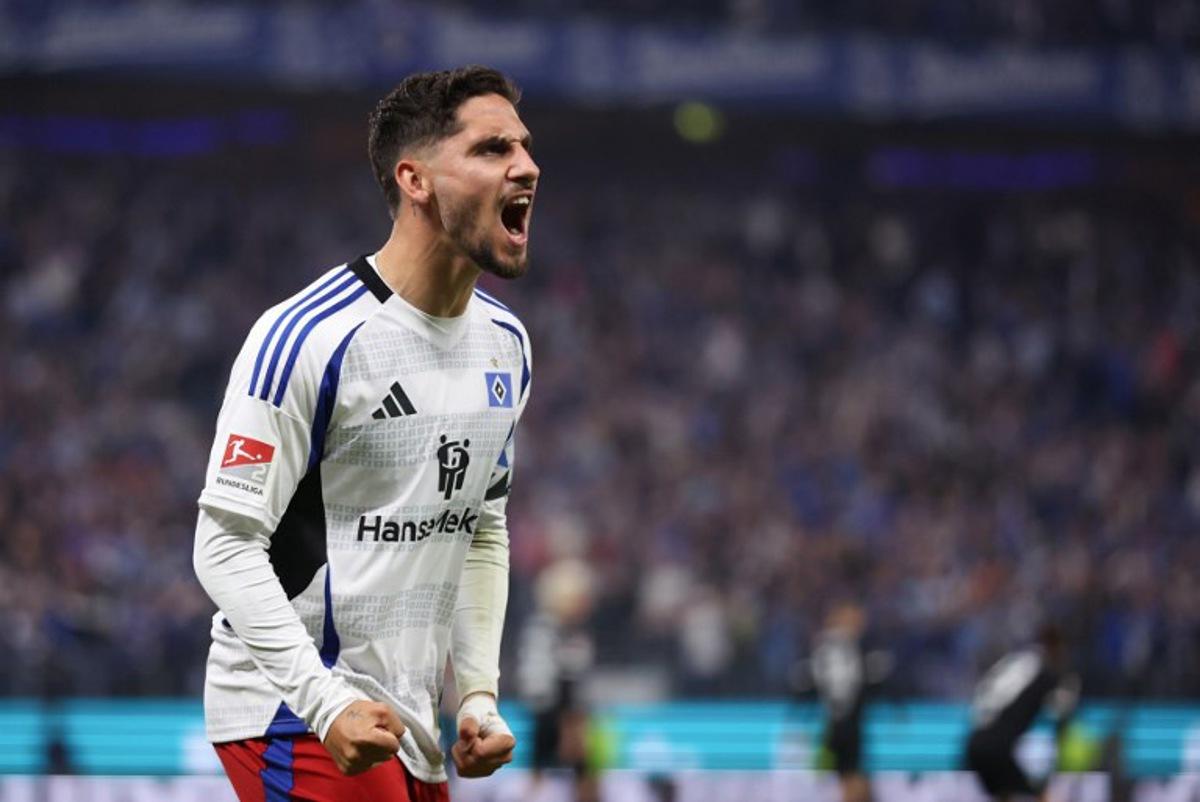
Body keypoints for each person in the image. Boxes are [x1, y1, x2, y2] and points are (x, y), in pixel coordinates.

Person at [192, 65, 539, 801]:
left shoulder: (506, 345)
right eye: (491, 149)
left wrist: (476, 694)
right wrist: (324, 702)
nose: (527, 166)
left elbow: (479, 528)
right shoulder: (308, 338)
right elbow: (222, 542)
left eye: (525, 146)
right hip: (293, 706)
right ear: (415, 180)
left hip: (404, 724)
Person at [964, 625, 1080, 802]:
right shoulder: (1046, 671)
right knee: (1037, 796)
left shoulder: (1015, 660)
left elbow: (983, 695)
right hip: (998, 747)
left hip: (974, 742)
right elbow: (1061, 711)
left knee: (1005, 795)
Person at [800, 602, 891, 802]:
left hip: (834, 723)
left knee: (846, 776)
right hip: (847, 724)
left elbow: (812, 684)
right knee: (851, 776)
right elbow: (854, 685)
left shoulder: (822, 648)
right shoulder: (848, 648)